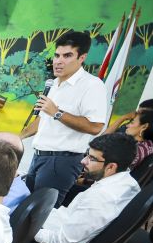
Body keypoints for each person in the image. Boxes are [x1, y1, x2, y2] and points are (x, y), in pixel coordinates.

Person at [20, 31, 108, 206]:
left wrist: (57, 113)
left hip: (61, 161)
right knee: (25, 206)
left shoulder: (92, 85)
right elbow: (44, 119)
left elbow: (96, 127)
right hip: (39, 156)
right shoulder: (54, 83)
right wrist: (18, 137)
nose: (59, 61)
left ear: (81, 57)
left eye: (67, 55)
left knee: (38, 213)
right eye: (57, 55)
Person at [28, 133, 140, 243]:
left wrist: (25, 227)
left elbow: (59, 241)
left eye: (92, 158)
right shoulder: (129, 182)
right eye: (87, 154)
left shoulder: (100, 198)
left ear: (111, 167)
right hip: (68, 228)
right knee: (28, 207)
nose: (83, 161)